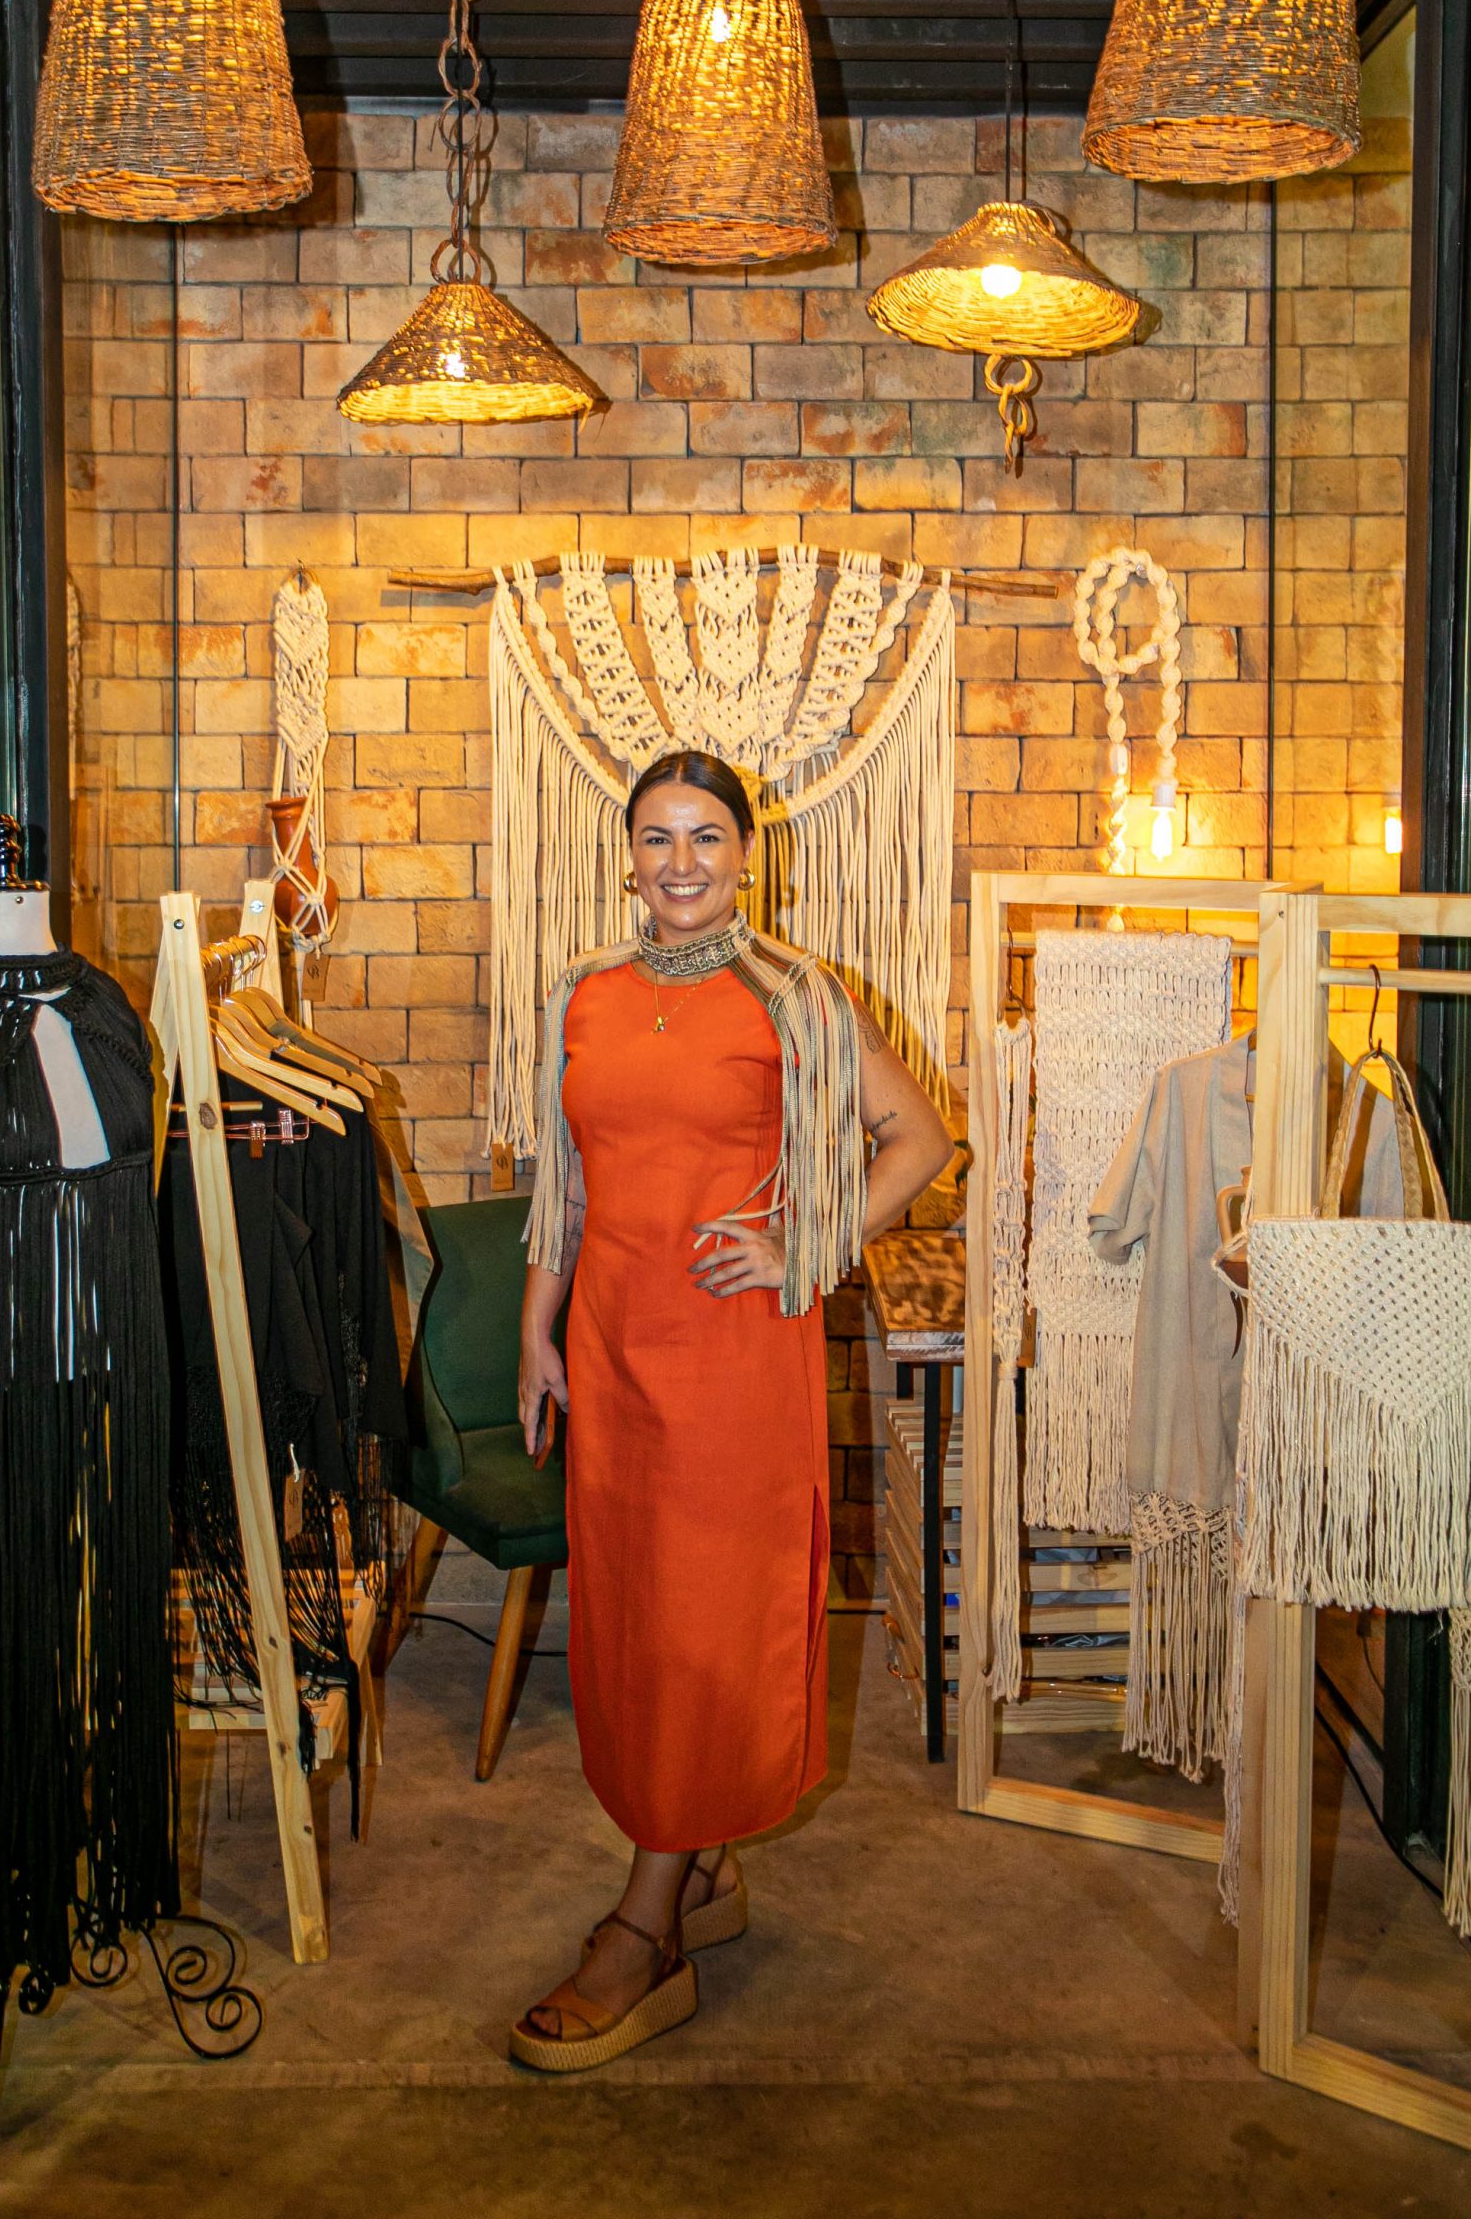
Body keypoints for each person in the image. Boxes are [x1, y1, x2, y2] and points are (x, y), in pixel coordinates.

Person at [510, 749, 951, 2072]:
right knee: (637, 1620)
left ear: (748, 855)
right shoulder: (584, 993)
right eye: (657, 837)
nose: (681, 862)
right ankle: (699, 1864)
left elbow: (920, 1140)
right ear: (628, 856)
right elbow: (566, 1183)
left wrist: (806, 1246)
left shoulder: (795, 995)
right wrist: (535, 1332)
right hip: (611, 1351)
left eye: (706, 836)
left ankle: (646, 1925)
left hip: (732, 1360)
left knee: (703, 1622)